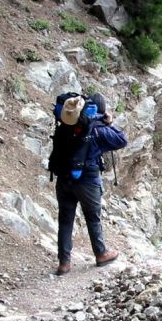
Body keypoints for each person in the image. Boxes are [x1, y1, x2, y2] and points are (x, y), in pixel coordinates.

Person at [54, 93, 127, 276]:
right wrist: (109, 123)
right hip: (87, 181)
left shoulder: (65, 125)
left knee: (65, 219)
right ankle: (101, 253)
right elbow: (122, 140)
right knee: (93, 218)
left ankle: (64, 263)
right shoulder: (98, 129)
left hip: (64, 179)